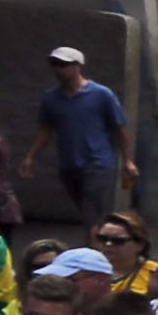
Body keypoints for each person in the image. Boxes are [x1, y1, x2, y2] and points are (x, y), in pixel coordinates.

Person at [38, 46, 134, 229]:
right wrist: (30, 158)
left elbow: (120, 127)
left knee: (93, 212)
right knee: (86, 210)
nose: (58, 69)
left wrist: (128, 160)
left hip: (98, 161)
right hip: (69, 163)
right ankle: (101, 244)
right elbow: (46, 128)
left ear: (77, 66)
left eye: (63, 64)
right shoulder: (51, 98)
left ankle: (94, 252)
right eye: (55, 64)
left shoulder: (101, 94)